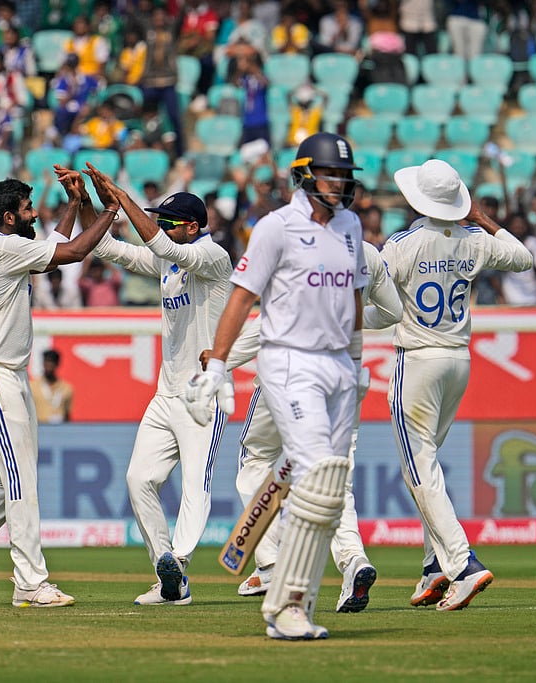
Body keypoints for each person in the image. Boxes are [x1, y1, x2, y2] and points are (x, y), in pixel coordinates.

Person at [184, 132, 368, 640]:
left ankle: (297, 601)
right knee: (318, 481)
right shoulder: (276, 228)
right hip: (289, 363)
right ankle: (285, 606)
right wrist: (217, 367)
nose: (341, 184)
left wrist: (356, 361)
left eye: (346, 176)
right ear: (306, 175)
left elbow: (353, 300)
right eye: (332, 175)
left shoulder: (351, 226)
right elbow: (241, 300)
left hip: (338, 368)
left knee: (328, 492)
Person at [0, 173, 120, 608]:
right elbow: (70, 251)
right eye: (29, 208)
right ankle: (30, 583)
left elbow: (51, 249)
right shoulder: (3, 247)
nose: (37, 212)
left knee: (14, 480)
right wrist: (110, 208)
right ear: (10, 217)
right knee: (21, 481)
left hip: (8, 374)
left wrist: (74, 204)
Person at [75, 169, 234, 606]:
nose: (162, 227)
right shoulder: (168, 259)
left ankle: (179, 561)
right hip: (166, 395)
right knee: (138, 479)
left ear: (193, 227)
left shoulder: (211, 256)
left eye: (169, 221)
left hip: (205, 393)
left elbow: (160, 244)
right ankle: (168, 572)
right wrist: (93, 202)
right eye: (158, 220)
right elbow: (106, 247)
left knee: (195, 485)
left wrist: (123, 196)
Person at [384, 159, 533, 610]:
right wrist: (483, 219)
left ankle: (462, 565)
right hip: (458, 361)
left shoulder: (402, 244)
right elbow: (524, 259)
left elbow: (375, 302)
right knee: (428, 464)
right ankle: (434, 565)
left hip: (418, 361)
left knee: (419, 469)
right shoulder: (474, 240)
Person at [227, 237, 403, 613]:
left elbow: (269, 323)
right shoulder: (368, 251)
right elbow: (392, 312)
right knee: (335, 481)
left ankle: (272, 562)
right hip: (346, 378)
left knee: (256, 459)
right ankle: (353, 559)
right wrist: (352, 321)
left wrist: (217, 362)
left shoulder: (296, 245)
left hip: (292, 374)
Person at [30, 349, 73, 424]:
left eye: (51, 363)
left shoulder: (66, 388)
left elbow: (67, 414)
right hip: (39, 428)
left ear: (57, 364)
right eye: (47, 363)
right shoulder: (33, 386)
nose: (49, 366)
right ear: (43, 364)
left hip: (60, 429)